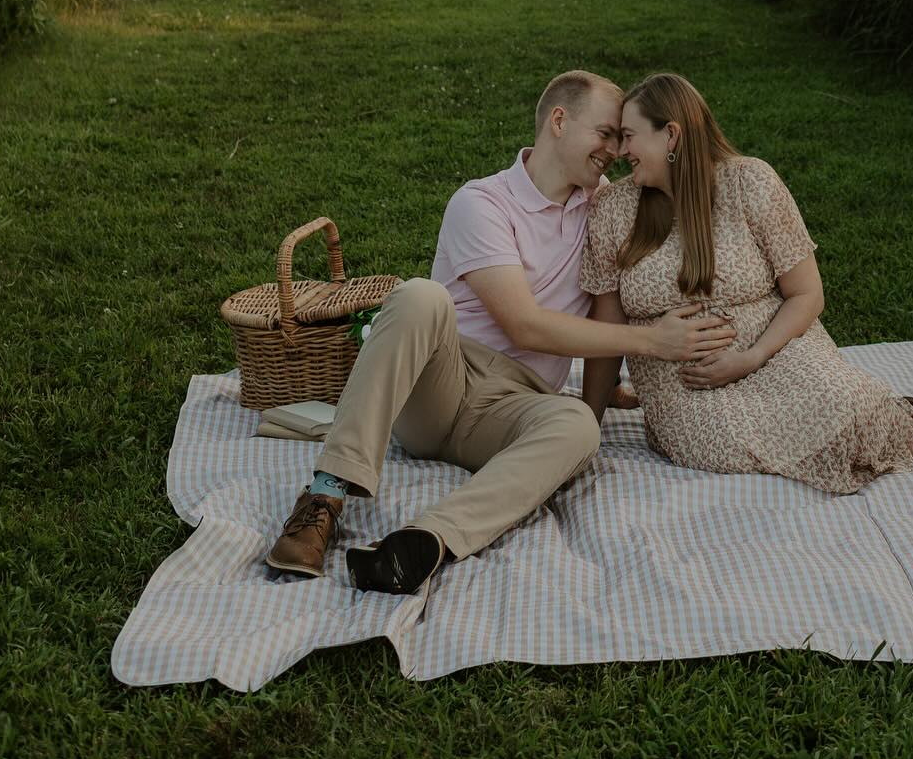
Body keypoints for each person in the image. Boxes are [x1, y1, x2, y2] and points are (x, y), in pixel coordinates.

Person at [265, 69, 740, 593]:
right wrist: (653, 342)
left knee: (581, 426)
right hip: (441, 386)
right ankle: (323, 497)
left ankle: (425, 541)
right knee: (422, 295)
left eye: (621, 137)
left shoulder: (605, 205)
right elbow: (524, 324)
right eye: (606, 133)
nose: (615, 149)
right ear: (559, 121)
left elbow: (659, 243)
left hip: (516, 406)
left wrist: (620, 386)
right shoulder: (481, 203)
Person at [577, 72, 913, 494]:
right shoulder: (614, 209)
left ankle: (905, 435)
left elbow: (807, 294)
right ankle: (875, 426)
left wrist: (751, 357)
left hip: (775, 351)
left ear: (671, 135)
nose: (621, 150)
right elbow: (607, 323)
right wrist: (588, 427)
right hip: (687, 388)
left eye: (629, 136)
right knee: (719, 443)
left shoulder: (750, 183)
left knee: (838, 400)